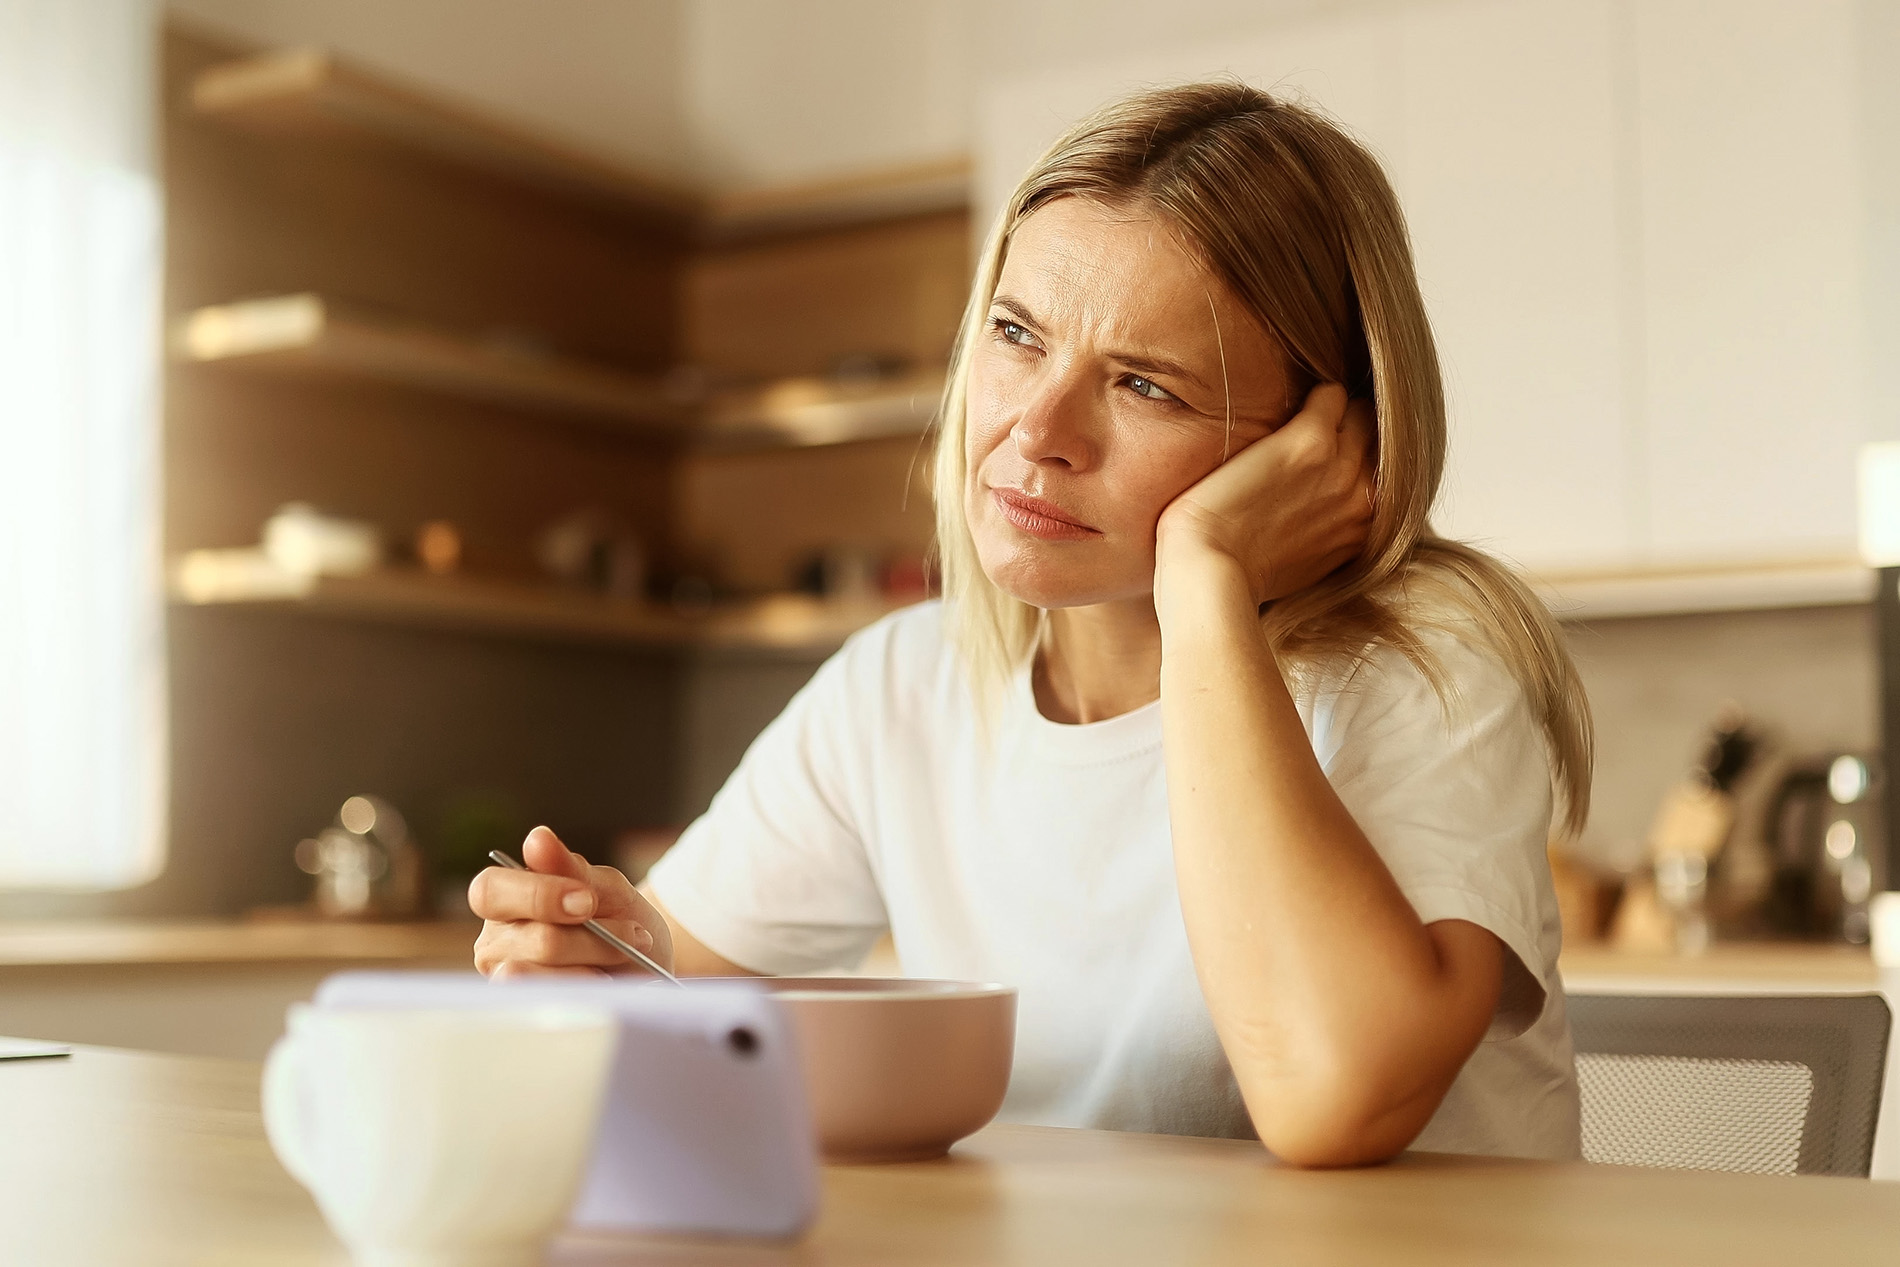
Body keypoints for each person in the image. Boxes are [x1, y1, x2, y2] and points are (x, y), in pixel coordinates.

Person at [470, 81, 1593, 1168]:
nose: (1037, 429)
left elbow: (1332, 1097)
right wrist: (599, 966)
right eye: (1017, 334)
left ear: (1320, 437)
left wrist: (1203, 579)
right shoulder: (905, 683)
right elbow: (685, 989)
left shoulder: (1427, 670)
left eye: (1145, 385)